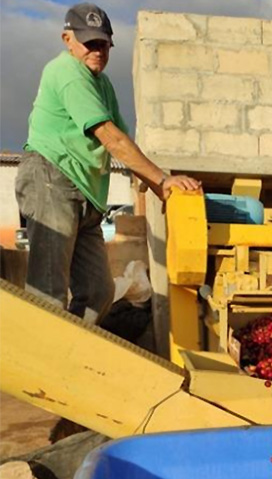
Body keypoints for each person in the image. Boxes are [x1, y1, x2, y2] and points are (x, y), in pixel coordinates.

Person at [15, 3, 200, 324]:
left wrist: (161, 187)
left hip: (86, 196)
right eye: (90, 43)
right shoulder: (67, 72)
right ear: (67, 39)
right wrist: (163, 179)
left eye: (103, 44)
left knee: (98, 292)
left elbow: (124, 143)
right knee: (48, 291)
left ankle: (71, 354)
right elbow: (110, 138)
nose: (98, 51)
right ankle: (42, 369)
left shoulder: (102, 85)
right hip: (51, 179)